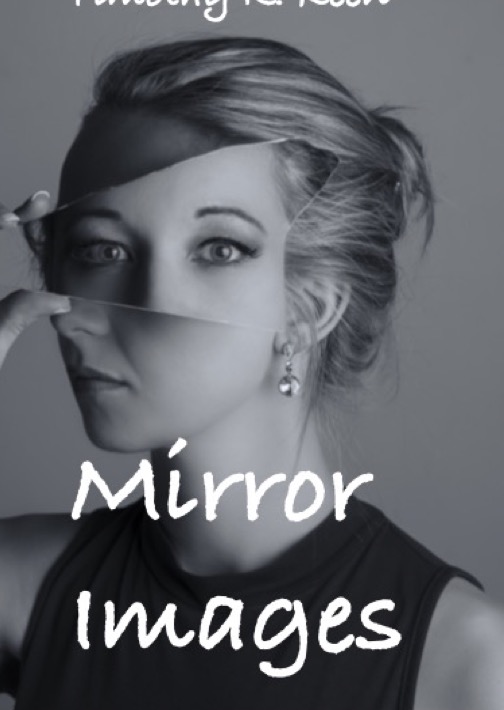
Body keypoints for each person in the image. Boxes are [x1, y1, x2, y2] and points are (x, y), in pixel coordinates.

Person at [0, 36, 502, 709]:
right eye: (99, 249)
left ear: (311, 307)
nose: (133, 308)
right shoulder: (22, 594)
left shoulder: (468, 667)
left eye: (219, 248)